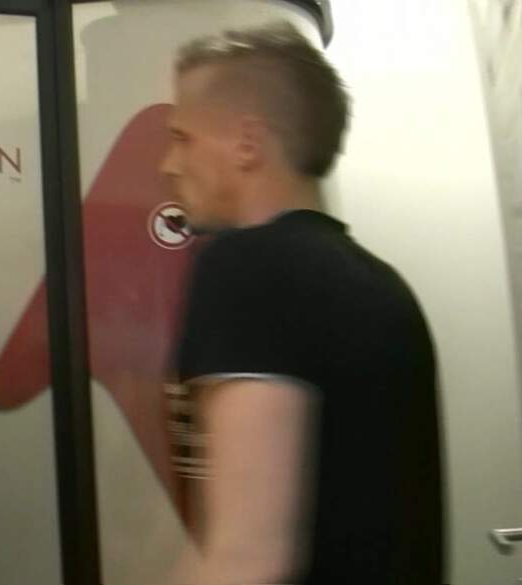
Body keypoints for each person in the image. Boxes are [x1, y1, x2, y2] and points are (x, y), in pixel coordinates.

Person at [160, 24, 443, 583]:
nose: (168, 164)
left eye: (182, 138)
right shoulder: (385, 288)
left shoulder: (249, 266)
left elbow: (246, 557)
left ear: (247, 143)